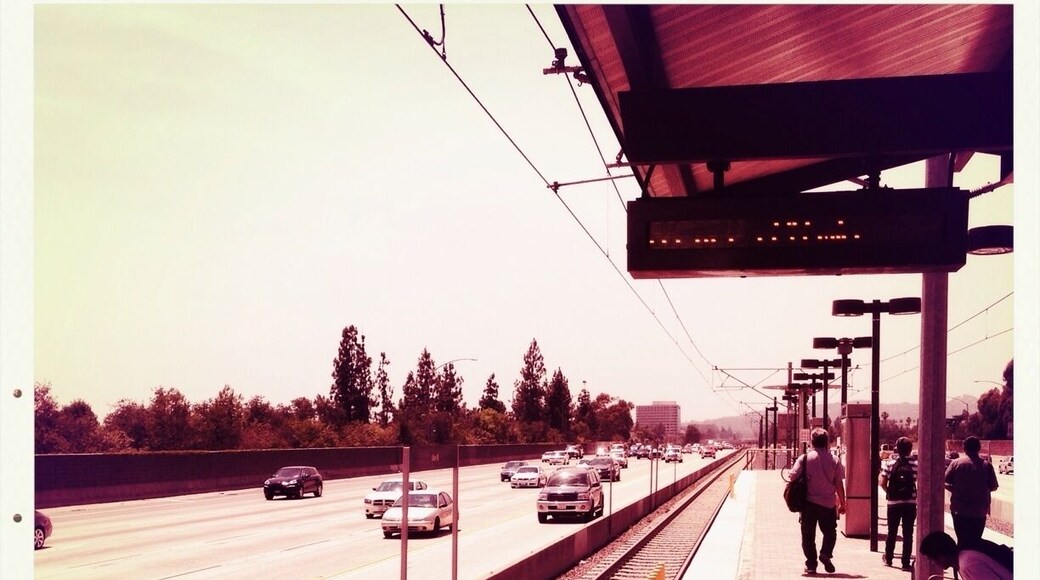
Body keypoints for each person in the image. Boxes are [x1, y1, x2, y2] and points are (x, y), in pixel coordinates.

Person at [789, 427, 846, 575]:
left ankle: (811, 565)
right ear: (827, 442)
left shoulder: (805, 458)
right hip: (828, 504)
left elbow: (792, 476)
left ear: (812, 442)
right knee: (830, 532)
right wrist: (843, 503)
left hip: (808, 504)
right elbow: (839, 483)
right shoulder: (834, 460)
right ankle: (825, 553)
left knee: (808, 536)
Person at [945, 436, 999, 547]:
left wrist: (956, 490)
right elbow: (993, 486)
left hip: (959, 510)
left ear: (964, 448)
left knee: (962, 542)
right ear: (979, 448)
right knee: (975, 543)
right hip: (979, 512)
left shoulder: (956, 463)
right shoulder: (986, 466)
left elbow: (945, 481)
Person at [879, 437, 917, 570]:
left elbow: (882, 483)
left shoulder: (889, 464)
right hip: (910, 503)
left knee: (892, 531)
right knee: (908, 532)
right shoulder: (915, 465)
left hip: (893, 503)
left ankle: (888, 557)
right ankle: (905, 562)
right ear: (910, 449)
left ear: (896, 448)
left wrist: (890, 493)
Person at [919, 531, 1012, 580]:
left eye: (931, 559)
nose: (933, 563)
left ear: (941, 557)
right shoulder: (963, 557)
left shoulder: (968, 564)